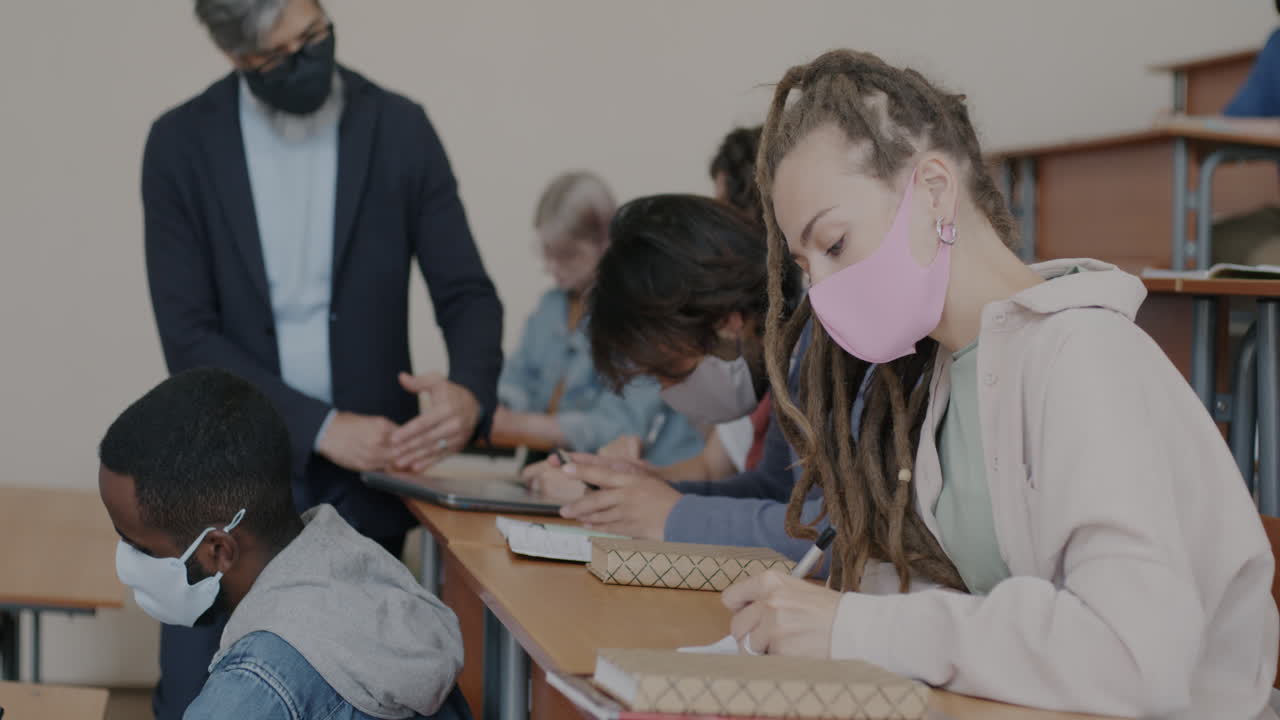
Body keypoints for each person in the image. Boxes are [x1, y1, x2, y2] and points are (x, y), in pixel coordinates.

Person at [722, 49, 1278, 719]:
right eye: (805, 266)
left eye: (834, 244)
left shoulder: (1084, 358)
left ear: (933, 191)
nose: (822, 292)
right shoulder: (945, 380)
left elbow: (1135, 659)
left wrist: (853, 627)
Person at [141, 1, 502, 716]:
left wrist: (468, 390)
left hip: (364, 484)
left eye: (314, 34)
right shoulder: (179, 144)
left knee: (359, 693)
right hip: (225, 477)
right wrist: (320, 424)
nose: (308, 56)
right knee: (200, 695)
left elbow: (468, 293)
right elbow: (189, 337)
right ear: (239, 60)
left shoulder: (398, 127)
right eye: (282, 53)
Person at [98, 368, 471, 720]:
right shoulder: (357, 568)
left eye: (141, 548)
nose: (125, 565)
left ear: (218, 550)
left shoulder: (255, 688)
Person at [523, 194, 832, 560]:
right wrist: (649, 492)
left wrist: (672, 514)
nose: (668, 392)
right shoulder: (791, 356)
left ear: (727, 323)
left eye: (670, 371)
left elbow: (839, 533)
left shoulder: (828, 342)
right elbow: (776, 491)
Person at [493, 172, 702, 464]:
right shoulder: (550, 307)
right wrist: (496, 407)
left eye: (567, 255)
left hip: (651, 479)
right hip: (564, 472)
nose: (553, 267)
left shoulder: (641, 316)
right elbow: (516, 378)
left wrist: (526, 426)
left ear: (605, 241)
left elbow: (623, 427)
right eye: (547, 252)